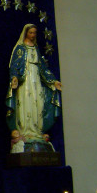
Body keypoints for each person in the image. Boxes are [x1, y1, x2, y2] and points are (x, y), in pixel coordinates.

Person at [6, 24, 62, 153]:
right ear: (26, 33)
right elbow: (14, 65)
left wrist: (53, 81)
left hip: (36, 79)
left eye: (34, 33)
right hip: (25, 82)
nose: (33, 35)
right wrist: (14, 78)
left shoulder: (36, 48)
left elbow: (42, 67)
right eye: (31, 33)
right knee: (26, 104)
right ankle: (25, 131)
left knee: (38, 104)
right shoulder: (20, 48)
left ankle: (36, 132)